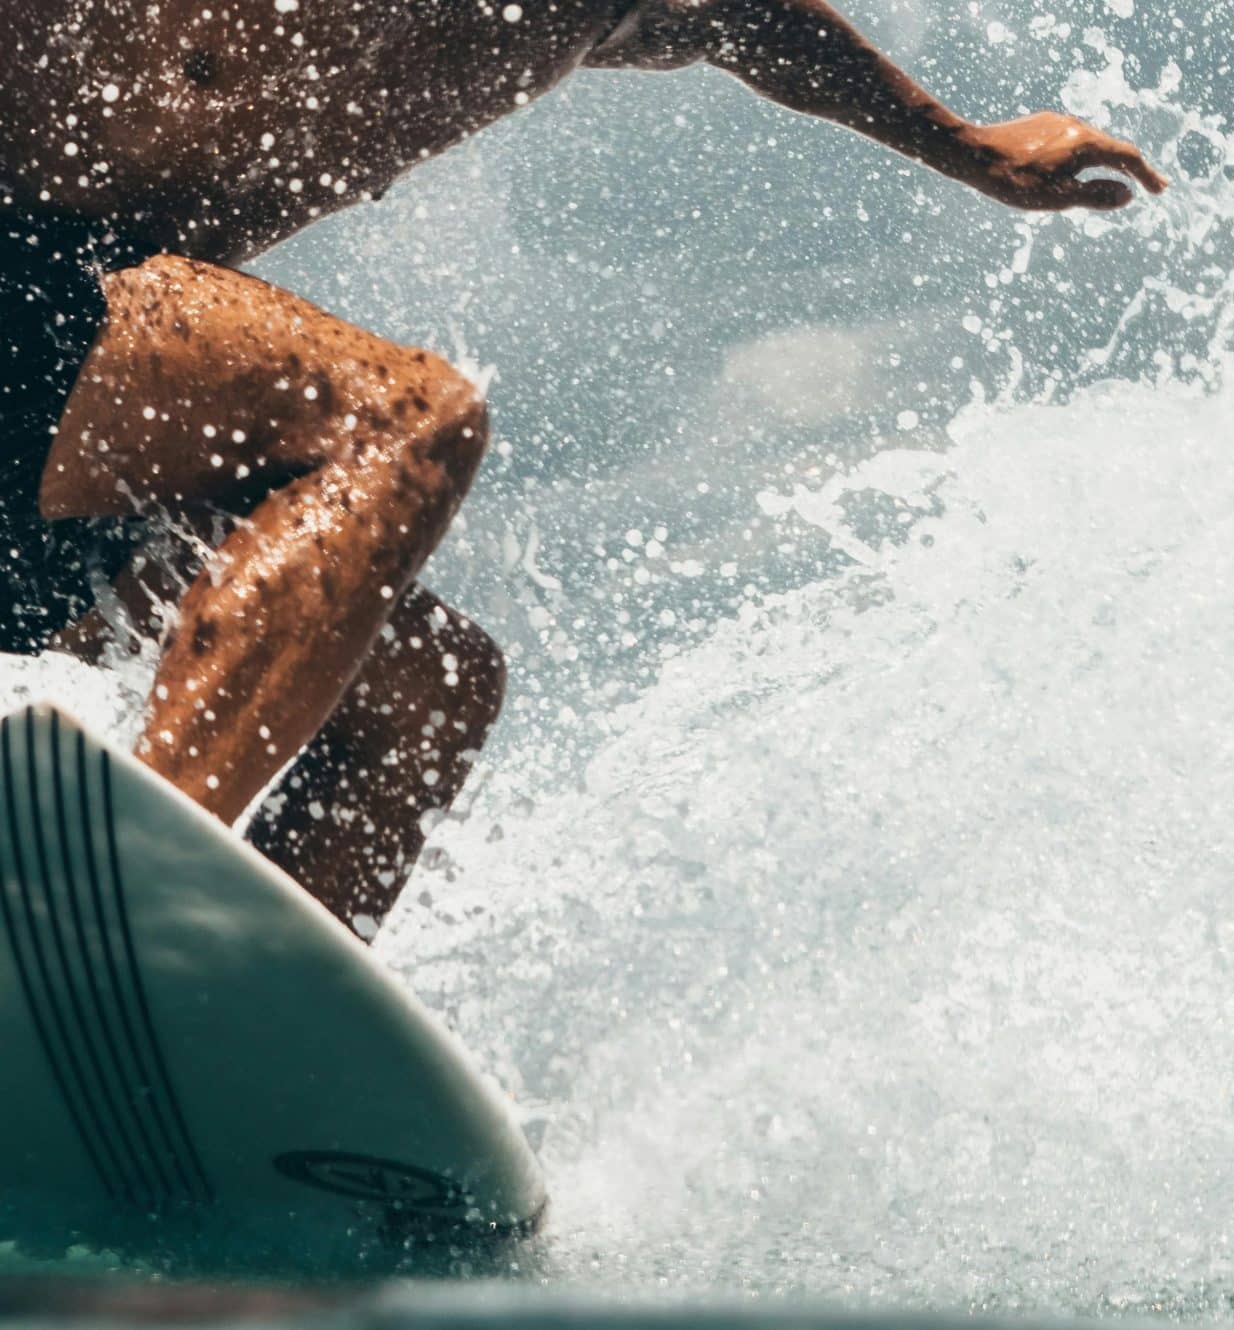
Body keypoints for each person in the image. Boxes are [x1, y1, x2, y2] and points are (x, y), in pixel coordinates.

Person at [0, 0, 1166, 934]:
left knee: (432, 696)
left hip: (73, 440)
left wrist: (968, 148)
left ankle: (211, 1045)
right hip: (35, 292)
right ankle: (116, 921)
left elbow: (746, 21)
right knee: (408, 419)